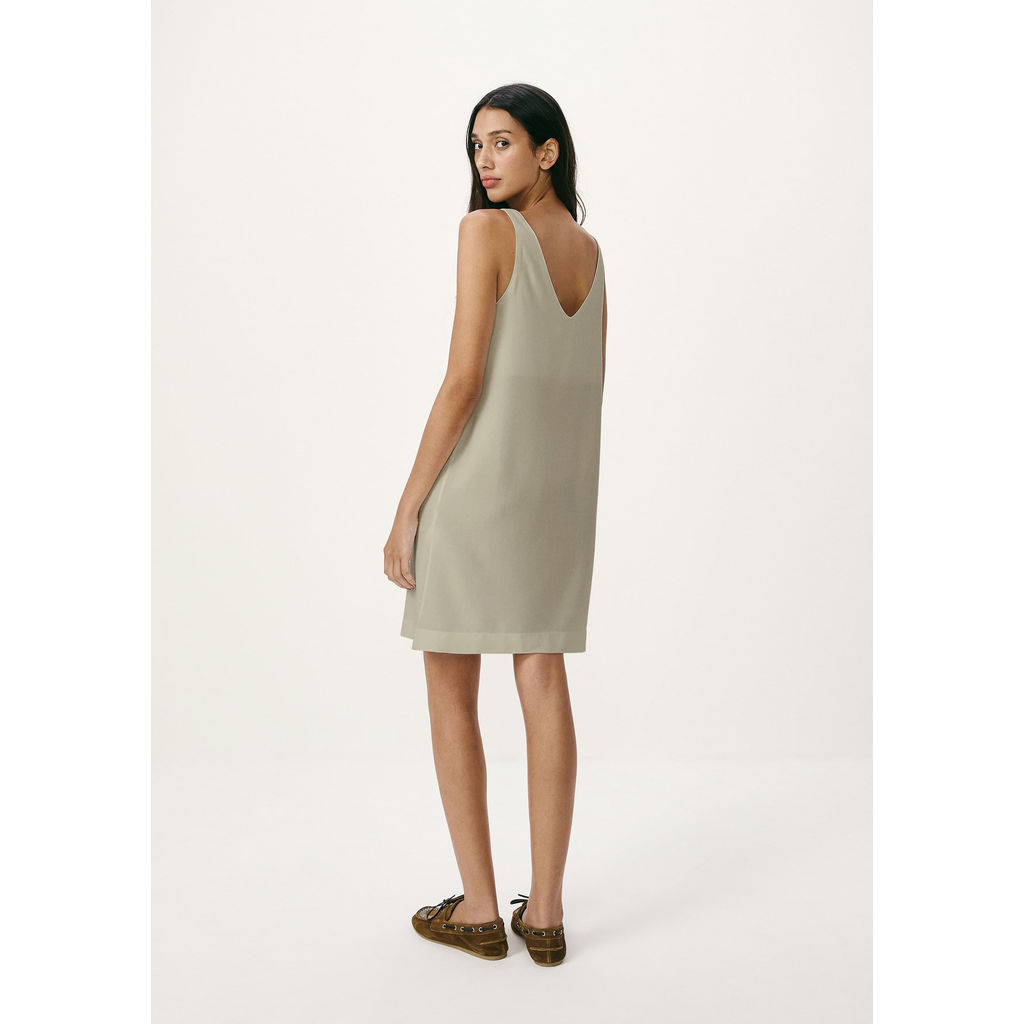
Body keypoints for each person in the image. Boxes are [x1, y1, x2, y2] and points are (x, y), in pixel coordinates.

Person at [382, 83, 606, 966]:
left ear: (548, 151)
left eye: (503, 141)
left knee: (450, 688)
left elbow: (462, 382)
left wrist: (409, 507)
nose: (485, 159)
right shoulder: (589, 252)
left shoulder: (485, 232)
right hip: (555, 502)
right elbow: (583, 392)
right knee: (542, 677)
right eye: (477, 144)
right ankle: (543, 914)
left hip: (477, 498)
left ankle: (479, 908)